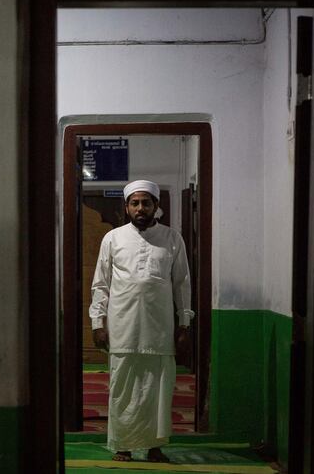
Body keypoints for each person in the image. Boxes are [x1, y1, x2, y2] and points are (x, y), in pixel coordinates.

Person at [89, 179, 194, 463]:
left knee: (158, 388)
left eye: (146, 202)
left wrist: (184, 324)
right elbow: (101, 284)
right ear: (126, 207)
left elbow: (182, 284)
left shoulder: (172, 239)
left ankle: (154, 446)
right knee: (122, 387)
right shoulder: (113, 238)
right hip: (122, 326)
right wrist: (98, 323)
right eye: (134, 203)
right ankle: (122, 445)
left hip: (159, 327)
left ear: (156, 206)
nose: (140, 208)